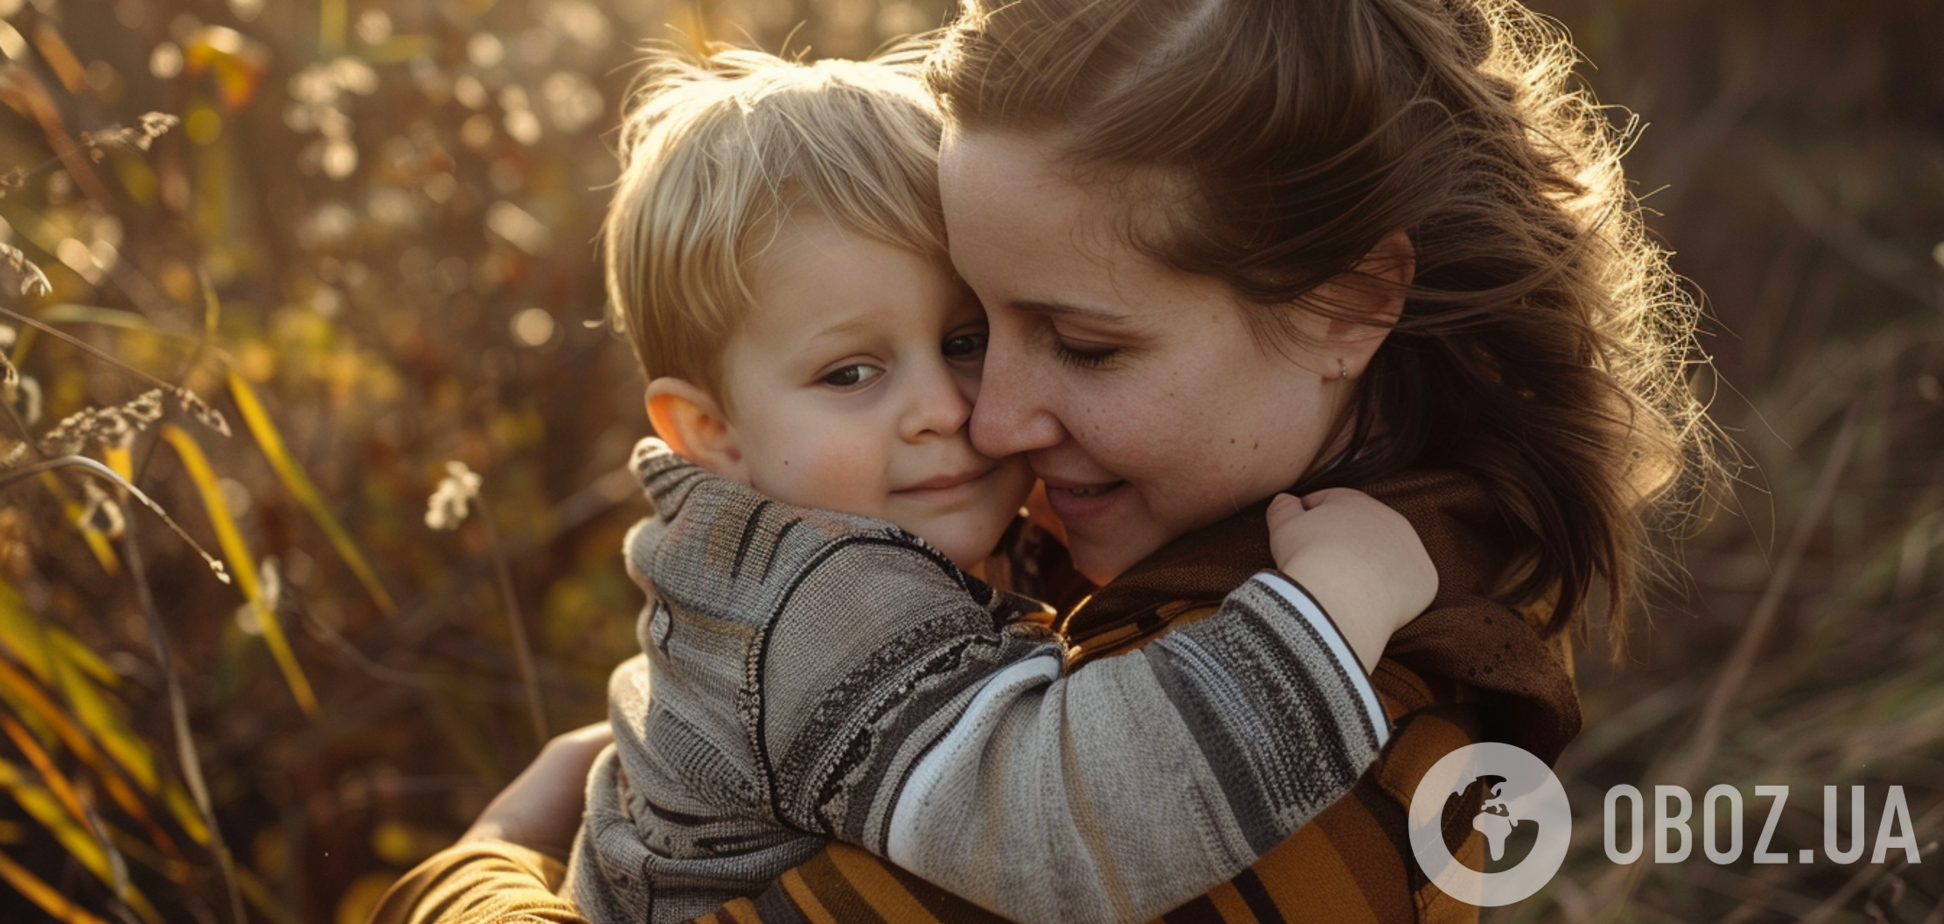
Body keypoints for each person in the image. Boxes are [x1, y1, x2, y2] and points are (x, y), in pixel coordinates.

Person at [370, 0, 1720, 919]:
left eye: (1078, 342)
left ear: (1349, 304)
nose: (986, 417)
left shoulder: (1335, 763)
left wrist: (489, 858)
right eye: (981, 327)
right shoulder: (1128, 574)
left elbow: (1075, 811)